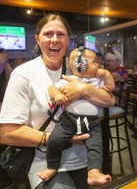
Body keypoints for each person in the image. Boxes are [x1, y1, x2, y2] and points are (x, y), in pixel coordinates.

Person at [0, 14, 115, 189]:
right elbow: (8, 133)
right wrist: (60, 139)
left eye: (60, 35)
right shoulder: (24, 74)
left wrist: (84, 89)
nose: (54, 40)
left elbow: (110, 100)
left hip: (83, 159)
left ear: (68, 40)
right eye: (48, 34)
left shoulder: (78, 69)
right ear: (38, 39)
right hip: (43, 161)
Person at [37, 47, 114, 185]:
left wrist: (107, 74)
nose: (98, 64)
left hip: (92, 121)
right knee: (54, 140)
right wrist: (58, 95)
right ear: (80, 65)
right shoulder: (70, 79)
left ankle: (93, 172)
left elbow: (110, 89)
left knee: (96, 145)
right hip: (69, 119)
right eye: (94, 61)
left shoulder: (97, 80)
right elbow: (52, 88)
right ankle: (52, 166)